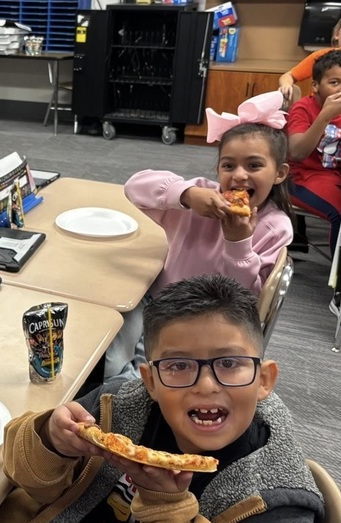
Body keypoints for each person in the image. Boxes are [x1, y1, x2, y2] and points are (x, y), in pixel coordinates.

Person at [0, 274, 323, 523]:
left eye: (229, 363)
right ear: (149, 381)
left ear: (264, 380)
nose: (206, 385)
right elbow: (20, 471)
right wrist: (51, 439)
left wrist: (166, 505)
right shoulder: (121, 406)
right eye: (178, 366)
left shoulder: (278, 505)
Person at [104, 91, 294, 381]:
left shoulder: (275, 227)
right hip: (156, 300)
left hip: (207, 324)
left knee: (148, 376)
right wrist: (186, 195)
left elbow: (243, 301)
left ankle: (134, 393)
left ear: (279, 173)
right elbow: (134, 187)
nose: (240, 175)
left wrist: (238, 244)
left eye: (254, 165)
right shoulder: (202, 195)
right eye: (229, 165)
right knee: (108, 358)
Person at [287, 50, 341, 259]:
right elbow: (297, 152)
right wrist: (324, 117)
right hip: (300, 177)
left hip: (332, 175)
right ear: (316, 86)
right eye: (335, 83)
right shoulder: (303, 109)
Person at [278, 9, 341, 109]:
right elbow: (288, 76)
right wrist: (286, 85)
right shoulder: (323, 55)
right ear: (337, 34)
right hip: (320, 111)